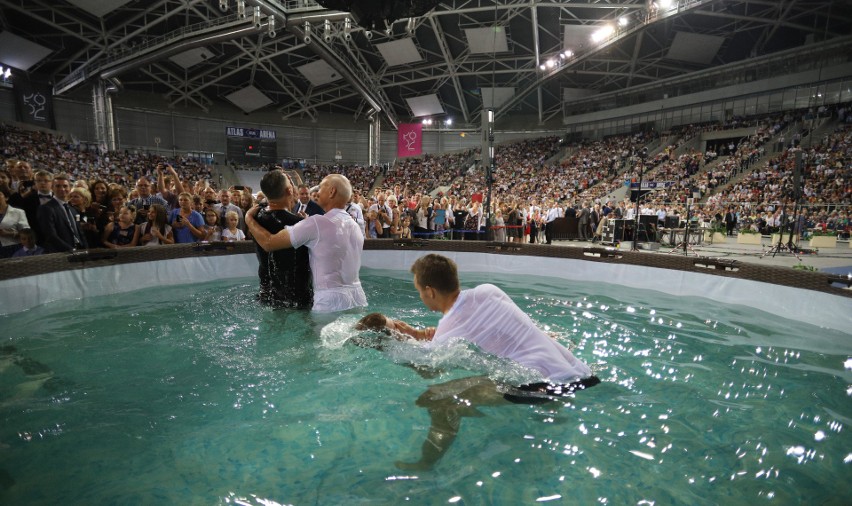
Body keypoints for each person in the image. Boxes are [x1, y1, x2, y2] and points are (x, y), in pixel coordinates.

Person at [363, 253, 598, 470]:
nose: (421, 296)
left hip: (544, 386)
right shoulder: (488, 291)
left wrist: (390, 346)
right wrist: (421, 334)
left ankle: (425, 464)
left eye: (419, 291)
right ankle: (551, 409)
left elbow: (429, 370)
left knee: (436, 398)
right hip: (578, 371)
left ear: (430, 291)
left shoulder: (448, 331)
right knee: (515, 367)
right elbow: (485, 329)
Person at [246, 173, 366, 313]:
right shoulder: (355, 225)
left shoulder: (316, 223)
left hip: (329, 300)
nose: (315, 192)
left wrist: (248, 218)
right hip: (358, 297)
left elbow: (268, 243)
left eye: (320, 188)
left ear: (332, 191)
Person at [249, 169, 312, 309]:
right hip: (297, 297)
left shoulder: (254, 218)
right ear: (290, 191)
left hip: (267, 294)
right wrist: (306, 224)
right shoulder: (299, 223)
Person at [37, 173, 88, 253]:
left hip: (79, 251)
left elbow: (79, 232)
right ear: (52, 188)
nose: (62, 189)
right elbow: (51, 236)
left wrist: (85, 248)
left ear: (70, 188)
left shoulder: (72, 209)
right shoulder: (46, 208)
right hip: (61, 253)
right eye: (58, 186)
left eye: (65, 186)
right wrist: (71, 250)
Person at [0, 186, 30, 258]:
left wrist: (9, 233)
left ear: (6, 197)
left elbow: (27, 233)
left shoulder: (18, 212)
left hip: (13, 248)